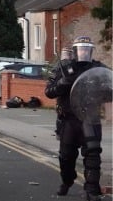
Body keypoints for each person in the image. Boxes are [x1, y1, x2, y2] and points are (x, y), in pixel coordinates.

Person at [45, 36, 107, 200]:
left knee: (93, 154)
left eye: (87, 49)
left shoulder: (97, 67)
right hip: (69, 119)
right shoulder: (65, 68)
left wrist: (103, 88)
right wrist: (63, 83)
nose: (84, 52)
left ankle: (92, 189)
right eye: (81, 49)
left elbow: (110, 85)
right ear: (75, 51)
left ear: (91, 51)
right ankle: (67, 180)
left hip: (90, 118)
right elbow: (49, 92)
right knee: (66, 157)